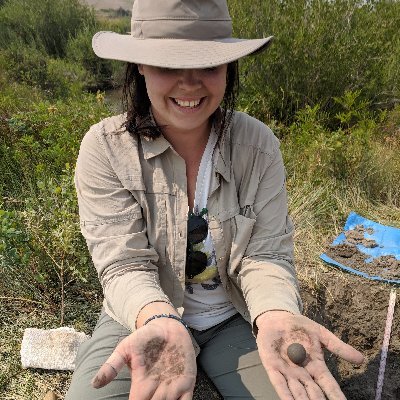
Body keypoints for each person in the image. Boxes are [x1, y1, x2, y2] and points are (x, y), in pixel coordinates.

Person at [66, 0, 364, 399]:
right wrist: (158, 318)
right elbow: (123, 265)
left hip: (233, 317)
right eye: (168, 65)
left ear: (229, 67)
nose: (190, 84)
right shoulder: (106, 149)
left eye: (209, 65)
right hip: (144, 318)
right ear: (139, 65)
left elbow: (267, 254)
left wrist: (275, 312)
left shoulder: (257, 146)